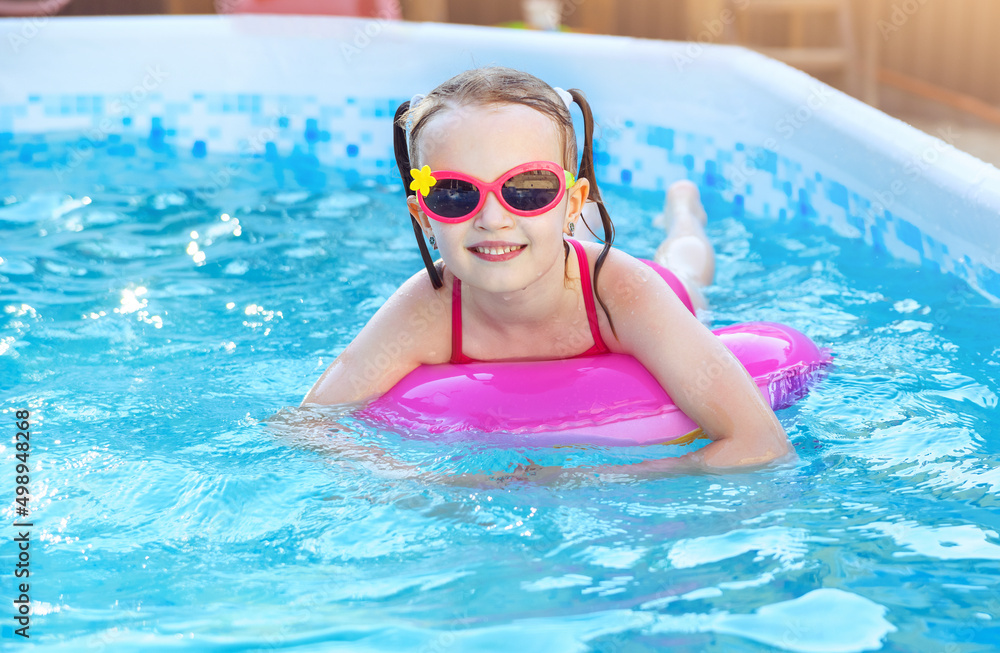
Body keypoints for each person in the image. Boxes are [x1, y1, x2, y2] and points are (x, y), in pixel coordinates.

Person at [301, 67, 791, 475]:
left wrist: (590, 479)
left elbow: (760, 443)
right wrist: (420, 483)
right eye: (454, 192)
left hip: (651, 292)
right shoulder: (427, 307)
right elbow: (307, 423)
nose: (492, 218)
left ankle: (684, 214)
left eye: (529, 188)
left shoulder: (620, 294)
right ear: (424, 216)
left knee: (685, 269)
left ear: (573, 204)